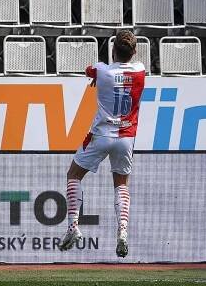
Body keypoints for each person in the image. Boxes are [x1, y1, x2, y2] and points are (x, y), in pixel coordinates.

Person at [59, 30, 146, 258]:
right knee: (121, 185)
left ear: (113, 49)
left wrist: (99, 76)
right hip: (126, 137)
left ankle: (73, 227)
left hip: (101, 135)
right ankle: (123, 232)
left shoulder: (102, 70)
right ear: (134, 52)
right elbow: (128, 70)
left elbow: (89, 70)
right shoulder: (140, 71)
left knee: (74, 175)